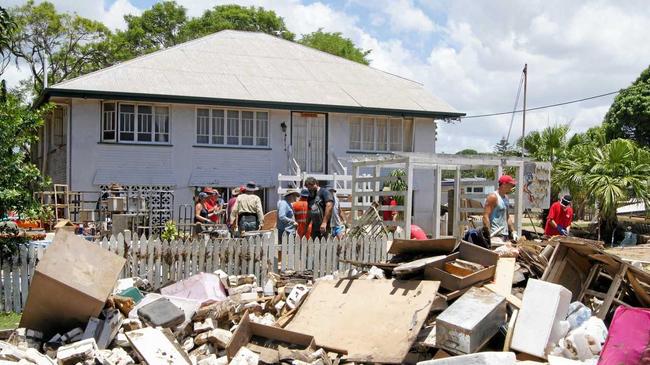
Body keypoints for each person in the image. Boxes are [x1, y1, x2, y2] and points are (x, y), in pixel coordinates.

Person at [482, 175, 519, 247]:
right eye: (511, 185)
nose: (512, 187)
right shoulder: (493, 197)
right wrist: (489, 235)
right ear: (504, 184)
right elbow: (485, 216)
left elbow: (507, 217)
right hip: (495, 234)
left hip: (504, 234)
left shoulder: (506, 198)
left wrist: (513, 231)